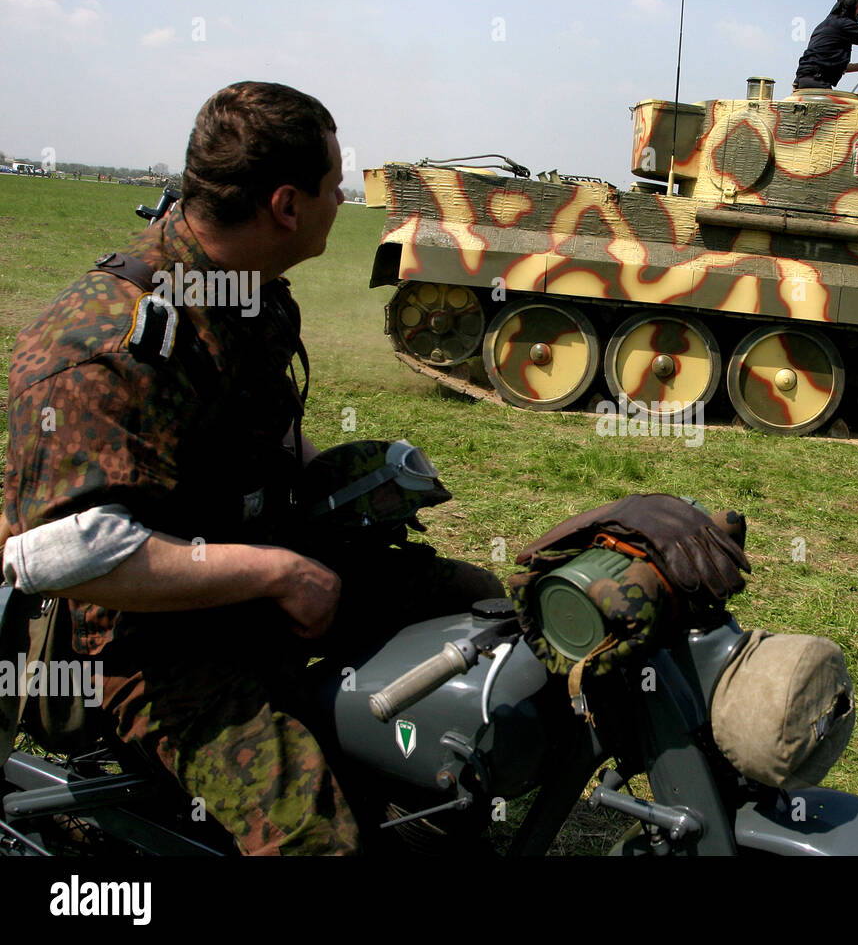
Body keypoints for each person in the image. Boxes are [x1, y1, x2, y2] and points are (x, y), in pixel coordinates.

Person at [2, 81, 502, 855]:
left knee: (474, 607)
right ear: (286, 206)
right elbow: (65, 556)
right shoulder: (108, 341)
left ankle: (414, 780)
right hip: (146, 645)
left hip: (247, 567)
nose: (344, 196)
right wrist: (279, 575)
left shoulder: (250, 292)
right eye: (333, 182)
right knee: (319, 842)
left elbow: (260, 426)